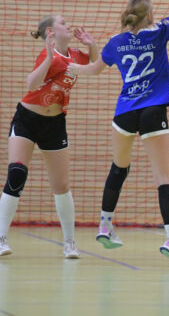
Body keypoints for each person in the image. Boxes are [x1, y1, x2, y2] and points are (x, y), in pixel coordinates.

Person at [67, 0, 169, 267]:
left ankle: (105, 224)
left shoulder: (116, 42)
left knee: (119, 168)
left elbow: (94, 69)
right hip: (152, 110)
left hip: (124, 112)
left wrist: (72, 67)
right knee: (163, 178)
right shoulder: (159, 31)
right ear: (149, 15)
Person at [0, 15, 99, 259]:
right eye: (62, 23)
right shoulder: (47, 54)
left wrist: (92, 45)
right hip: (27, 120)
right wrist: (48, 57)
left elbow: (95, 65)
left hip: (54, 123)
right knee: (17, 173)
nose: (68, 25)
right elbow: (31, 84)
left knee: (61, 185)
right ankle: (1, 238)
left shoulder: (74, 55)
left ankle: (70, 243)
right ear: (50, 31)